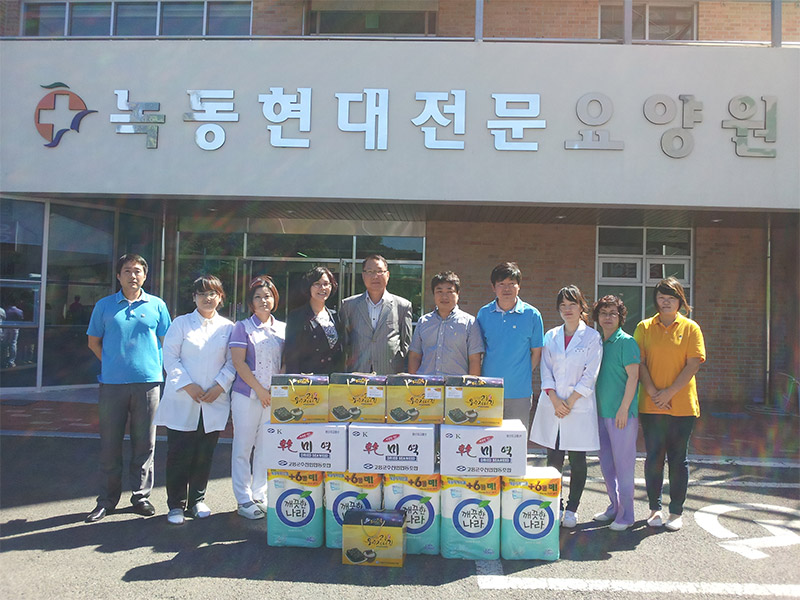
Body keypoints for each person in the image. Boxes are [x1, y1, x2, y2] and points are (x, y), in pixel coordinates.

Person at [84, 254, 172, 523]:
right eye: (127, 271)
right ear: (118, 276)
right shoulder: (104, 306)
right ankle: (107, 500)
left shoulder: (157, 305)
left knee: (145, 443)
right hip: (112, 385)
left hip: (148, 384)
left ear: (144, 276)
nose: (132, 275)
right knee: (110, 444)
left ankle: (141, 496)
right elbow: (93, 342)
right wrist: (112, 364)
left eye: (137, 271)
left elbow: (167, 341)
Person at [154, 275, 235, 526]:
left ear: (220, 297)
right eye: (202, 294)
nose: (207, 298)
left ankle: (197, 499)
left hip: (213, 399)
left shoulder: (228, 327)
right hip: (183, 398)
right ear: (194, 298)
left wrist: (220, 386)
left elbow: (233, 361)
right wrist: (187, 385)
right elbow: (170, 357)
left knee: (204, 452)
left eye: (213, 293)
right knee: (179, 453)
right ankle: (176, 504)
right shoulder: (181, 324)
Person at [635, 277, 706, 532]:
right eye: (662, 297)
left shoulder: (691, 328)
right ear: (656, 300)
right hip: (651, 404)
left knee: (678, 459)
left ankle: (676, 511)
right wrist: (654, 392)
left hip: (682, 407)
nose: (666, 302)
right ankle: (654, 509)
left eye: (671, 298)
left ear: (680, 301)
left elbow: (693, 365)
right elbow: (639, 362)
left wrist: (669, 393)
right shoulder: (644, 327)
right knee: (654, 457)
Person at [530, 285, 602, 528]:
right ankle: (555, 504)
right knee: (554, 457)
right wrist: (554, 400)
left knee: (578, 459)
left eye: (572, 304)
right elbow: (545, 370)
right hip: (553, 405)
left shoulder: (592, 337)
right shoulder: (550, 336)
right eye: (563, 305)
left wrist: (569, 402)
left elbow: (590, 374)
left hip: (577, 407)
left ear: (582, 307)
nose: (567, 309)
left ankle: (572, 508)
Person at [229, 275, 285, 519]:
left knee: (265, 447)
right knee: (243, 446)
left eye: (268, 296)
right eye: (258, 297)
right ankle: (243, 499)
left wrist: (275, 390)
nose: (264, 300)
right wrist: (261, 390)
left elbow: (285, 361)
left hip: (273, 397)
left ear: (275, 299)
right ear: (251, 303)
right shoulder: (242, 327)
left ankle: (260, 494)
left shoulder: (282, 328)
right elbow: (238, 363)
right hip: (247, 395)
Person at [592, 295, 640, 531]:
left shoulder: (627, 342)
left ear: (621, 317)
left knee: (624, 466)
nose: (608, 317)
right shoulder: (599, 342)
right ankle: (614, 506)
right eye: (603, 313)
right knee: (607, 464)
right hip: (600, 413)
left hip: (621, 415)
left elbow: (634, 377)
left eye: (613, 313)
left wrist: (624, 408)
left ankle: (627, 514)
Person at [476, 262, 544, 430]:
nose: (506, 288)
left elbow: (537, 352)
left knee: (515, 443)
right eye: (501, 284)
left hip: (519, 392)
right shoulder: (483, 314)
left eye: (511, 284)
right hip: (489, 391)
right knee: (487, 442)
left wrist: (523, 371)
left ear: (519, 286)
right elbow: (477, 352)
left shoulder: (532, 315)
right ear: (493, 287)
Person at [340, 254, 412, 375]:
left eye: (380, 271)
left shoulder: (402, 306)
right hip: (358, 374)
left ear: (387, 275)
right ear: (363, 275)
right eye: (370, 271)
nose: (375, 276)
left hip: (390, 374)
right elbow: (344, 343)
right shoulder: (348, 305)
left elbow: (407, 344)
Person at [407, 271, 483, 376]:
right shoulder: (423, 322)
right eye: (439, 291)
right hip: (426, 386)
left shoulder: (469, 323)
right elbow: (415, 356)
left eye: (449, 291)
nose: (444, 297)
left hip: (457, 387)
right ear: (433, 294)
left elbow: (474, 359)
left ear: (458, 294)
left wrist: (471, 387)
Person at [284, 266, 344, 374]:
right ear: (309, 287)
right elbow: (291, 355)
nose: (322, 288)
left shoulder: (335, 316)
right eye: (317, 284)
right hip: (309, 381)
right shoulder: (297, 316)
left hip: (333, 381)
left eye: (326, 284)